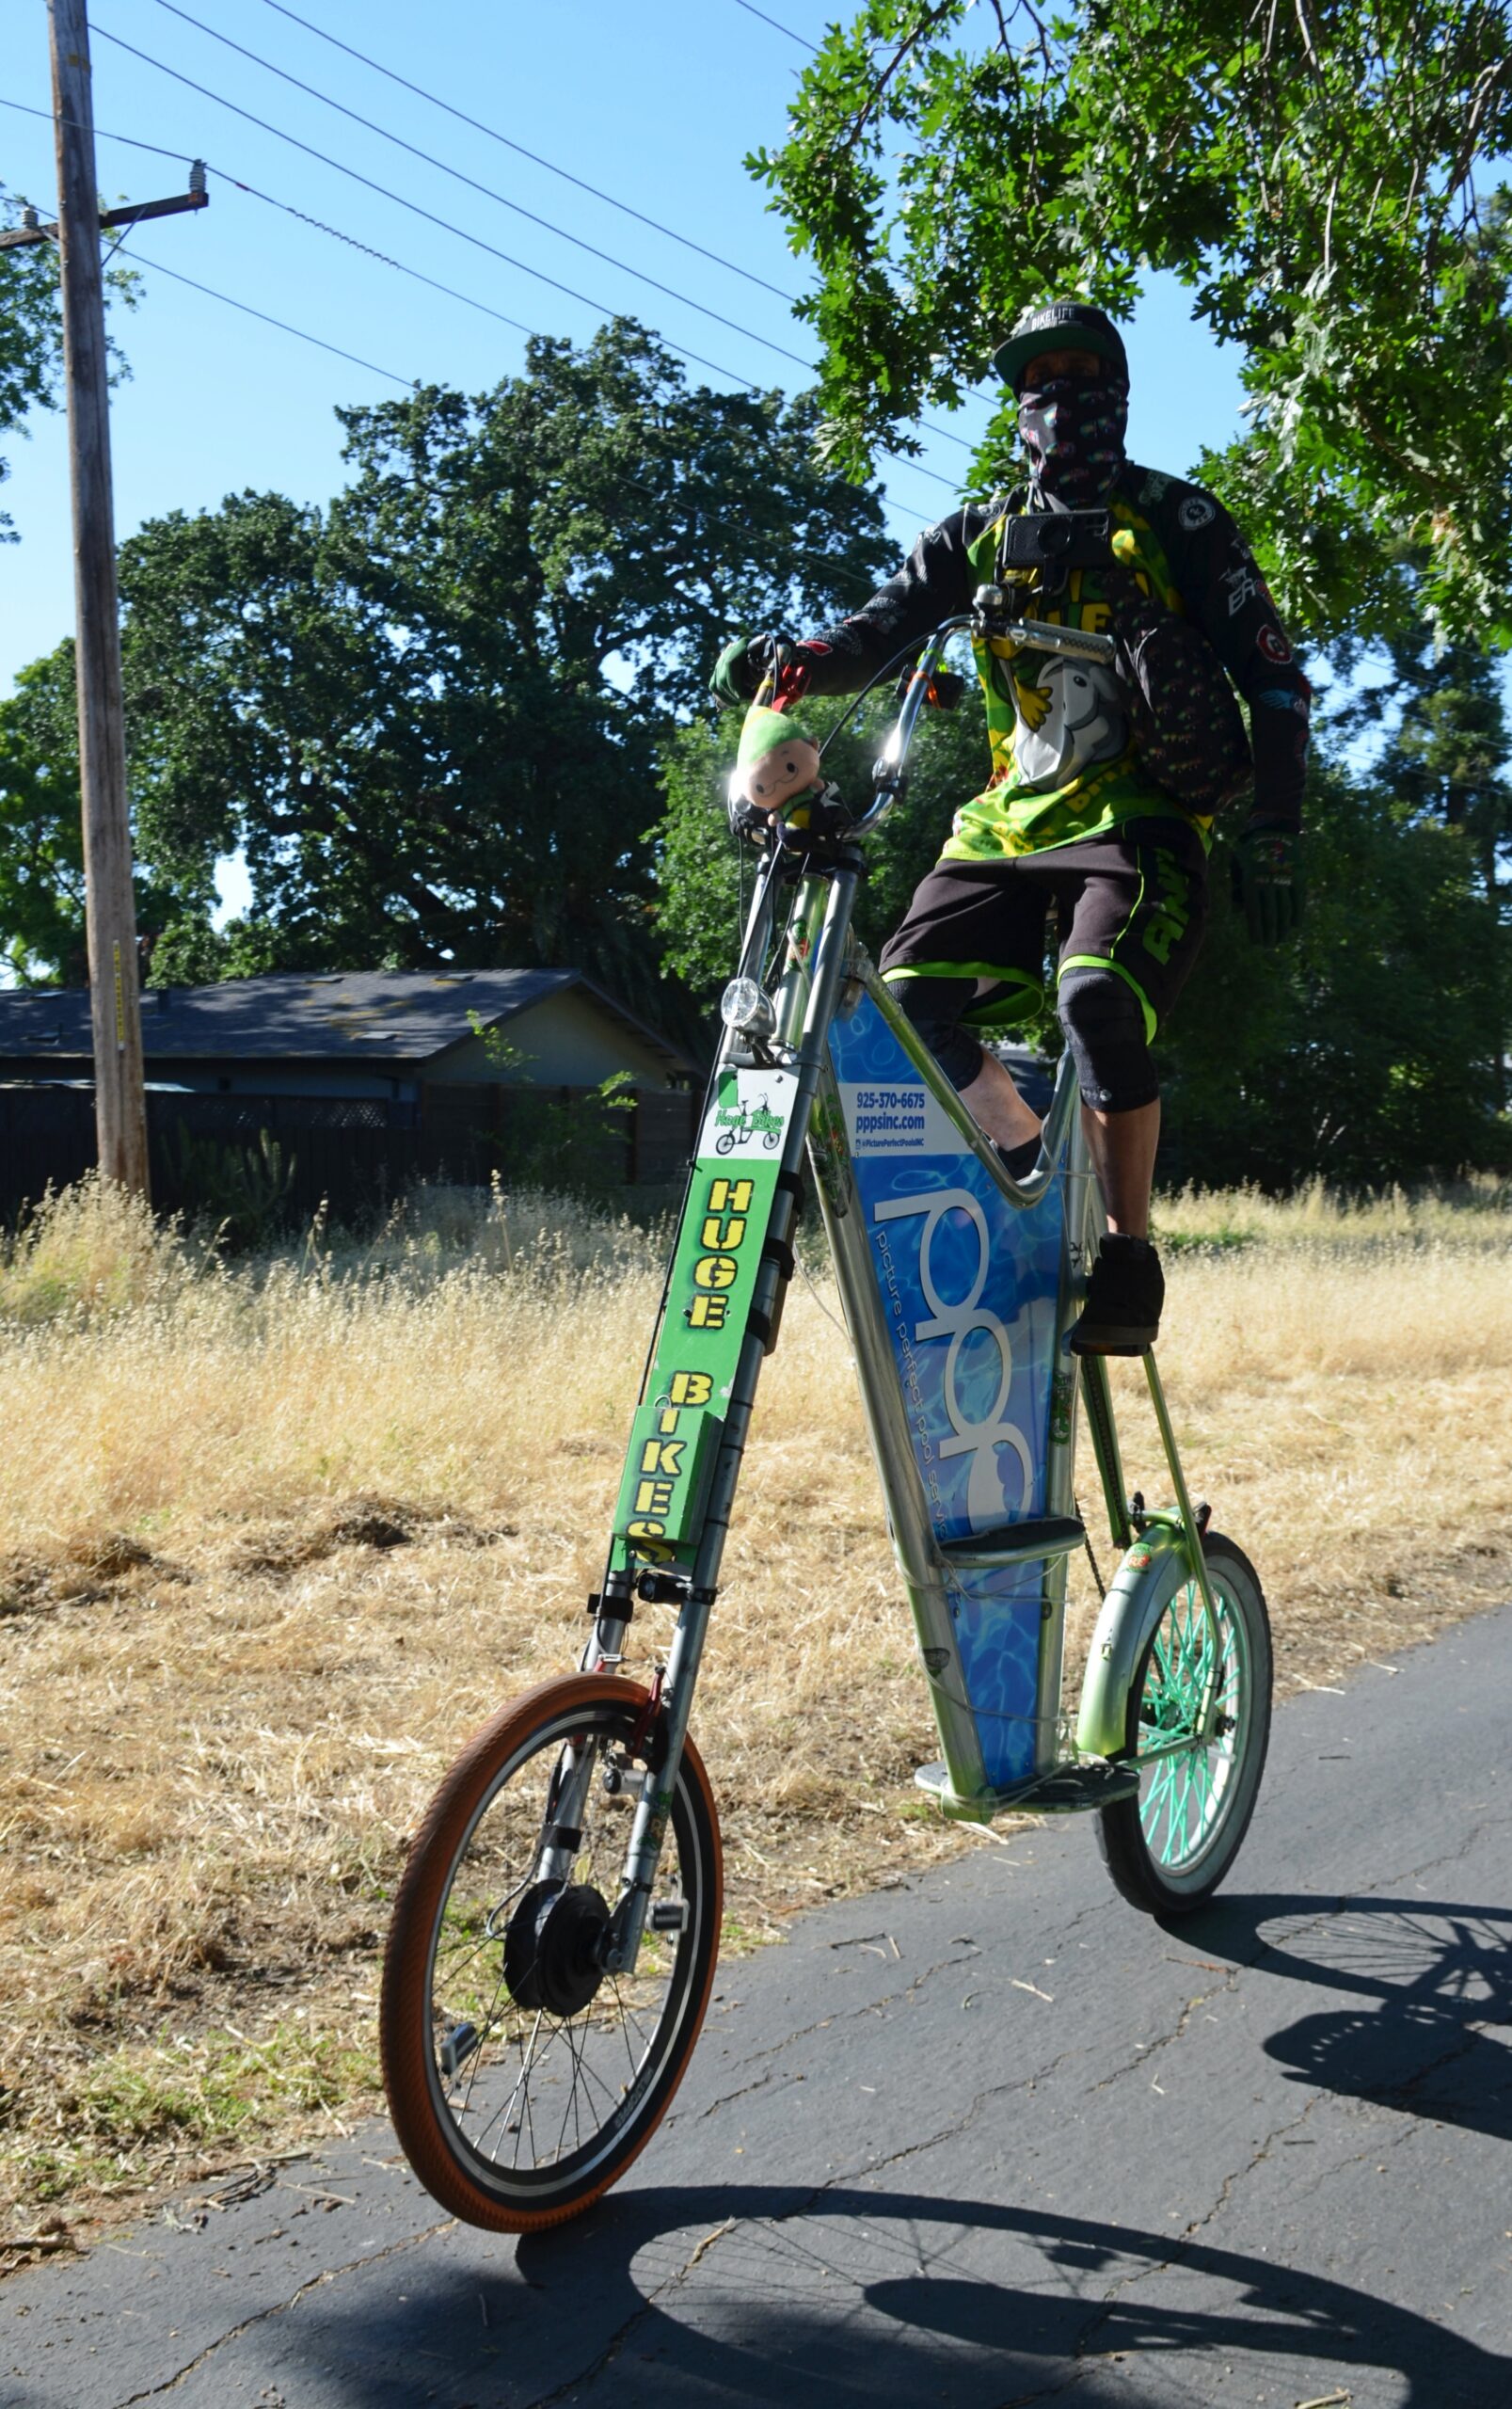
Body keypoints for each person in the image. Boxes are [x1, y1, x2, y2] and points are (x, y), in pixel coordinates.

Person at [712, 300, 1309, 1352]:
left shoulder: (1178, 520)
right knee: (901, 1010)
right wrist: (789, 661)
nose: (1059, 404)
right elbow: (876, 632)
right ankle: (1043, 1167)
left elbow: (1271, 676)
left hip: (1139, 820)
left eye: (1080, 379)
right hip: (1002, 826)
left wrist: (1273, 820)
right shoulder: (972, 536)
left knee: (1093, 999)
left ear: (1116, 395)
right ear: (1016, 407)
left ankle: (1128, 1250)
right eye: (1038, 384)